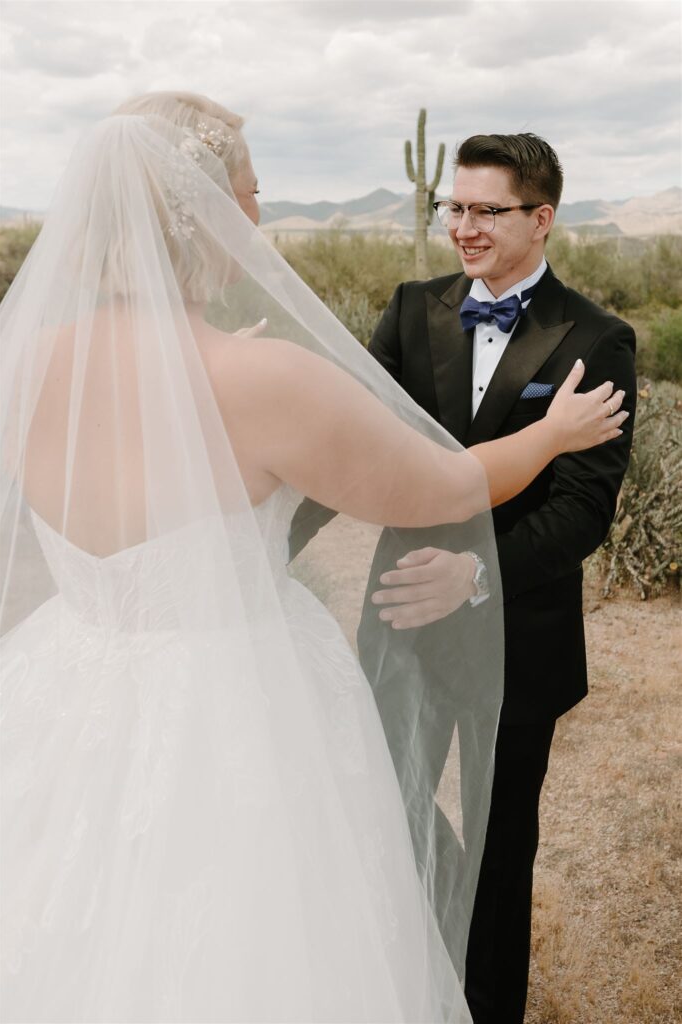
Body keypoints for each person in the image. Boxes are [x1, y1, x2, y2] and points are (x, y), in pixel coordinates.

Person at [0, 95, 627, 1024]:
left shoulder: (25, 361)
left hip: (64, 693)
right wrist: (551, 433)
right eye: (250, 194)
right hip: (238, 701)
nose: (255, 216)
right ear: (205, 212)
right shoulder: (272, 379)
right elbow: (441, 486)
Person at [348, 133, 636, 1023]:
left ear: (539, 218)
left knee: (500, 848)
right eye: (452, 208)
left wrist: (472, 574)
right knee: (378, 818)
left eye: (484, 210)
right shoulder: (410, 308)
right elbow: (352, 442)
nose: (461, 228)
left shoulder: (596, 336)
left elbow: (583, 509)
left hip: (518, 640)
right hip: (398, 622)